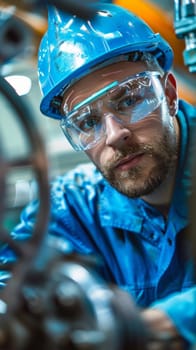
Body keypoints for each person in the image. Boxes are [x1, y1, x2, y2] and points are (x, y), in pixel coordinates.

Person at [1, 2, 196, 349]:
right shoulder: (72, 207)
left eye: (129, 100)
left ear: (168, 93)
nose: (114, 134)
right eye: (87, 122)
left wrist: (163, 323)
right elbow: (12, 281)